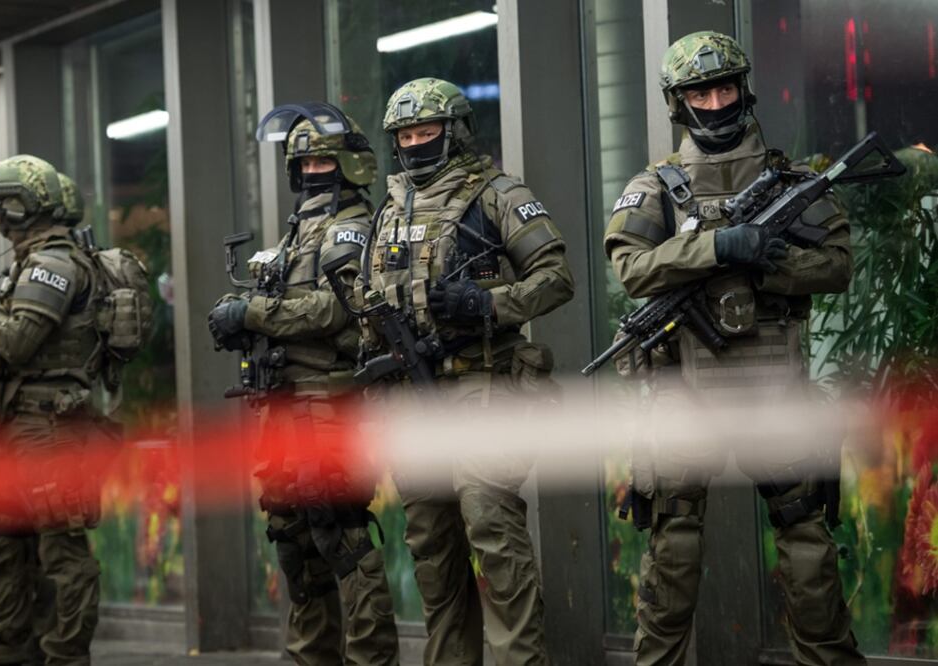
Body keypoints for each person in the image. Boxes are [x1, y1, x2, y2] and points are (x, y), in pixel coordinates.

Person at [603, 31, 866, 665]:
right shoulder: (656, 187)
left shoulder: (790, 181)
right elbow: (631, 269)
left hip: (773, 384)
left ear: (743, 90)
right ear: (678, 102)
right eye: (700, 91)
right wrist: (720, 248)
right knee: (673, 548)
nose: (716, 103)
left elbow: (836, 265)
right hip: (681, 391)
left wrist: (771, 263)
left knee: (806, 539)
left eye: (725, 88)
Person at [360, 77, 574, 665]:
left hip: (483, 389)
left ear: (455, 133)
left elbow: (557, 277)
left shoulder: (498, 193)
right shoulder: (387, 208)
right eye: (405, 134)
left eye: (428, 131)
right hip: (412, 401)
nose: (416, 143)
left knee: (495, 538)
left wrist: (490, 304)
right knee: (432, 549)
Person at [207, 103, 399, 666]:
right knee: (292, 538)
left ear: (349, 165)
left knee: (338, 532)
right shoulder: (298, 231)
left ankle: (371, 659)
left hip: (331, 402)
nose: (313, 171)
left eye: (324, 161)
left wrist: (253, 313)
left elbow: (334, 311)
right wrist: (237, 312)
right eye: (305, 162)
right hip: (285, 404)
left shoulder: (354, 225)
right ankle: (310, 656)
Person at [0, 154, 149, 666]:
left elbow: (18, 341)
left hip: (49, 430)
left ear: (23, 205)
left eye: (0, 200)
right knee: (3, 550)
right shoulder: (25, 262)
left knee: (61, 555)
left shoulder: (52, 265)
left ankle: (64, 656)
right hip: (15, 428)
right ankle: (8, 653)